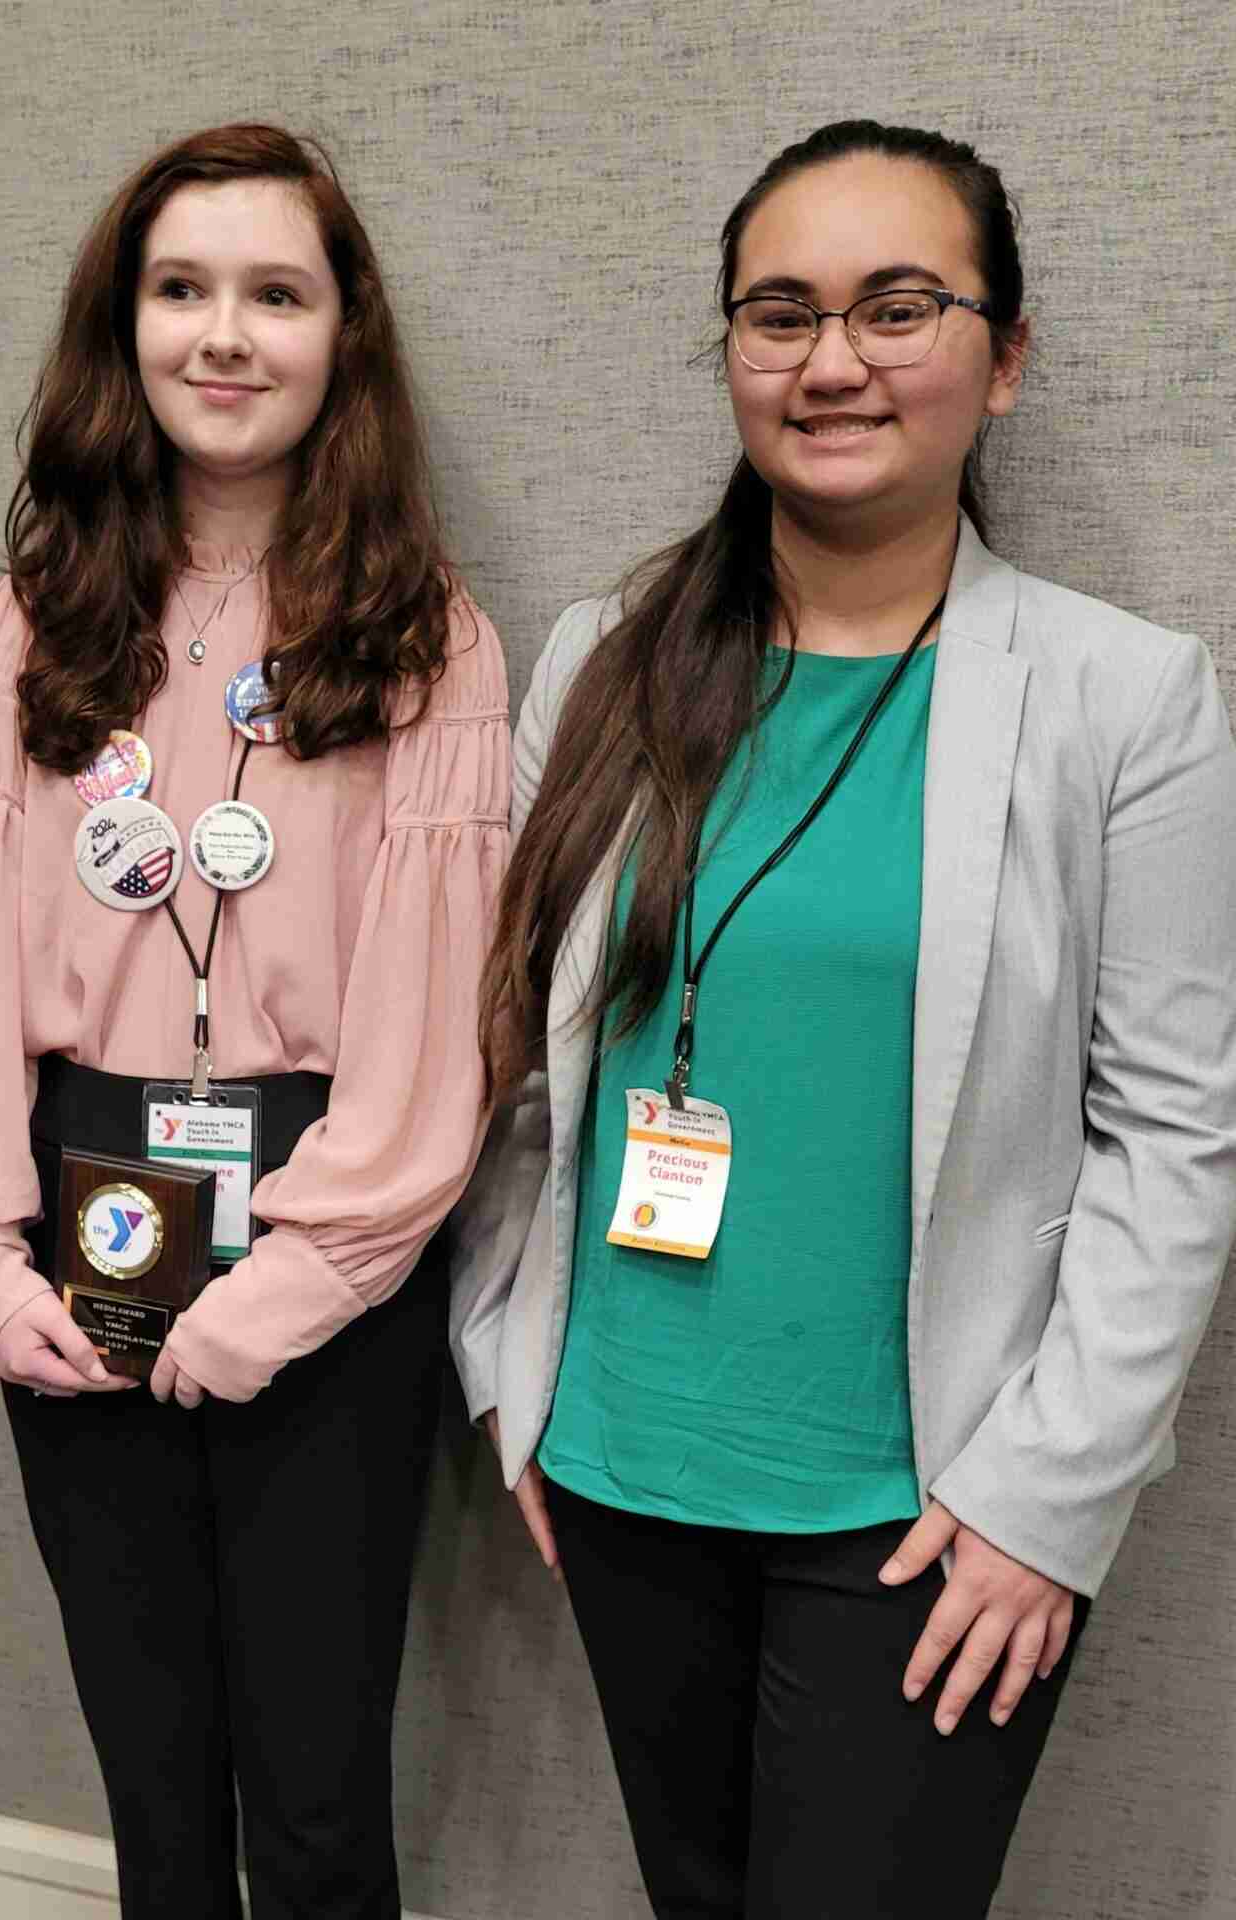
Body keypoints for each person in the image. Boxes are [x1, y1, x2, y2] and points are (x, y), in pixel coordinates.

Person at [449, 119, 1236, 1918]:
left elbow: (1176, 1139)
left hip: (933, 1507)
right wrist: (509, 1363)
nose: (831, 363)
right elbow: (516, 1057)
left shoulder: (1126, 701)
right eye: (780, 313)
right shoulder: (606, 658)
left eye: (898, 308)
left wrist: (1049, 1498)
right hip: (625, 1463)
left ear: (1004, 357)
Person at [0, 123, 509, 1920]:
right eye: (182, 289)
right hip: (81, 1215)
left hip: (330, 1233)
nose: (225, 335)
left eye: (275, 294)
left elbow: (438, 1009)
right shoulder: (37, 619)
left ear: (343, 336)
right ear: (125, 325)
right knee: (151, 1793)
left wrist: (298, 1284)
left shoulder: (425, 637)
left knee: (314, 1802)